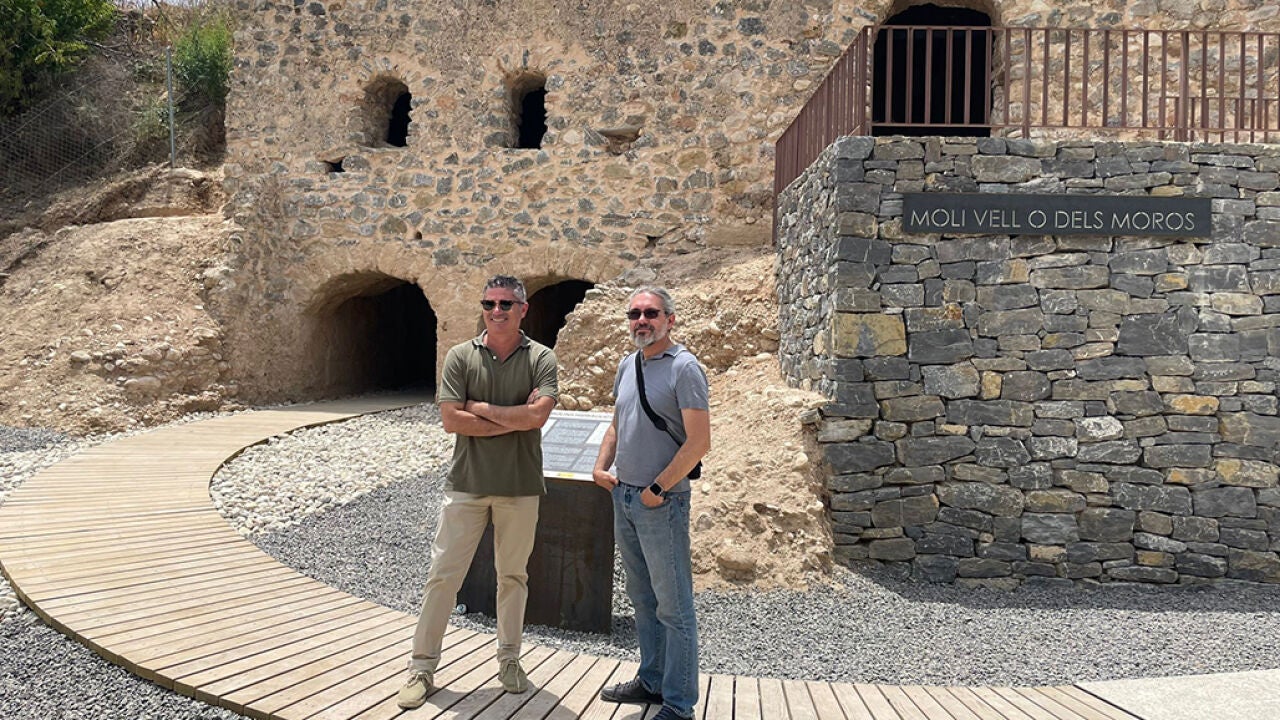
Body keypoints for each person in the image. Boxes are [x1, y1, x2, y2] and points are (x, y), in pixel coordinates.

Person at [397, 274, 558, 709]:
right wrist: (515, 416)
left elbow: (537, 418)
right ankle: (421, 667)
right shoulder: (460, 356)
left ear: (523, 309)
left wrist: (480, 408)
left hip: (520, 487)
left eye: (506, 304)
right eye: (489, 303)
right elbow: (451, 420)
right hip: (466, 485)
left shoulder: (541, 358)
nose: (496, 311)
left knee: (513, 577)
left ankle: (509, 660)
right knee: (443, 577)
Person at [592, 286, 710, 720]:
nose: (641, 320)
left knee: (674, 606)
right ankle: (653, 680)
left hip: (661, 502)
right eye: (635, 313)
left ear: (669, 320)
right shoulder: (628, 364)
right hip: (624, 495)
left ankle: (678, 704)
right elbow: (616, 425)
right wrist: (600, 466)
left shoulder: (685, 368)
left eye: (651, 313)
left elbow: (699, 442)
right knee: (642, 597)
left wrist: (657, 490)